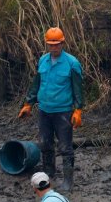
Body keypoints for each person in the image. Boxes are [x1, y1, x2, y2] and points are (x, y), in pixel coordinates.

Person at [18, 27, 83, 192]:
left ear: (62, 43)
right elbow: (36, 84)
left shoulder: (72, 63)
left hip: (63, 111)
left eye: (57, 44)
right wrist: (28, 103)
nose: (54, 47)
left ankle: (68, 180)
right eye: (50, 44)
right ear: (47, 44)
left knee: (65, 147)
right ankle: (49, 172)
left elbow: (78, 89)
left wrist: (78, 109)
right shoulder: (43, 61)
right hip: (45, 111)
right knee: (45, 143)